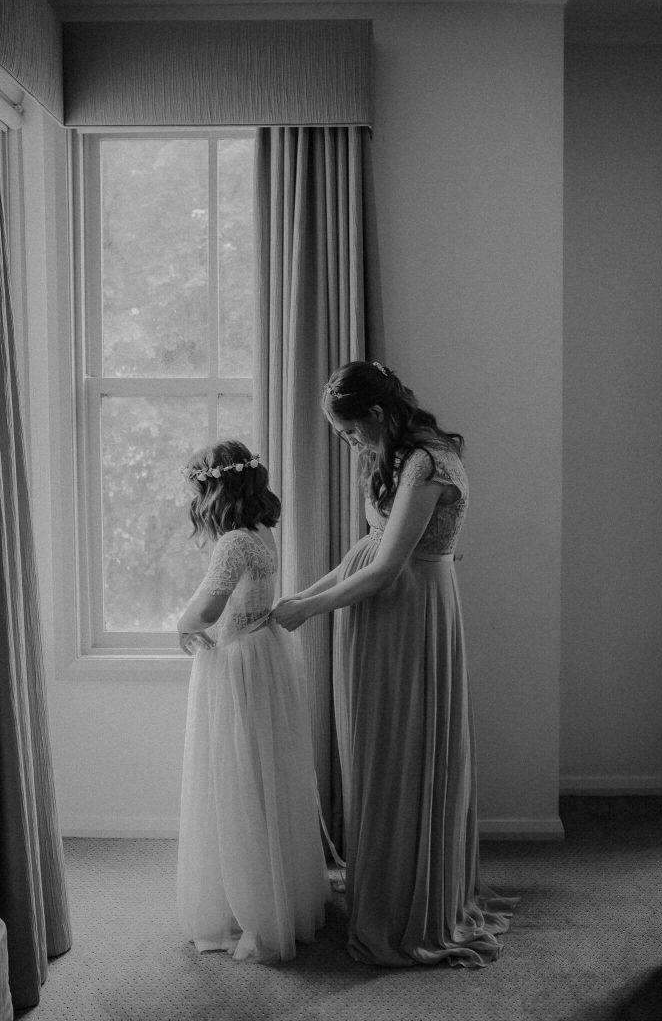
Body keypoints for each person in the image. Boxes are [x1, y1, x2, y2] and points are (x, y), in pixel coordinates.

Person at [272, 360, 518, 968]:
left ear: (379, 414)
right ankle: (380, 878)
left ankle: (410, 898)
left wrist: (311, 611)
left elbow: (386, 568)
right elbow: (366, 548)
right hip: (375, 614)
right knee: (376, 750)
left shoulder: (428, 463)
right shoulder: (390, 457)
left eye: (353, 432)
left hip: (410, 615)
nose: (352, 444)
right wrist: (304, 595)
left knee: (404, 750)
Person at [176, 440, 330, 963]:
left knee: (237, 778)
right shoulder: (262, 531)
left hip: (236, 663)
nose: (193, 498)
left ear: (213, 488)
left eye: (196, 488)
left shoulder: (233, 543)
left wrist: (183, 622)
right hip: (262, 653)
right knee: (264, 774)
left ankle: (249, 905)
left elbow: (209, 606)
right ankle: (276, 893)